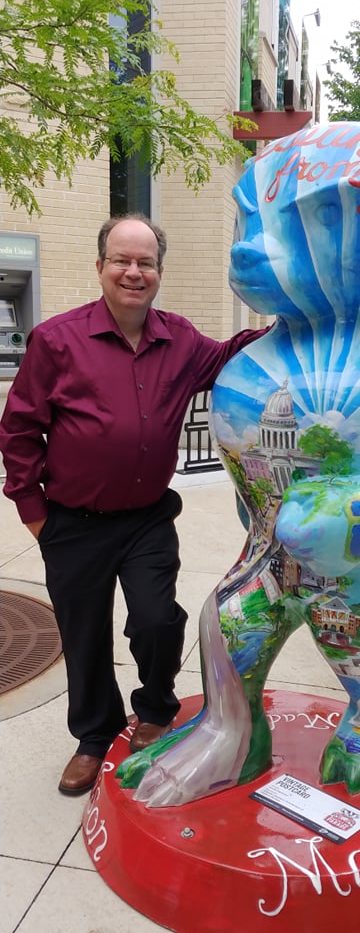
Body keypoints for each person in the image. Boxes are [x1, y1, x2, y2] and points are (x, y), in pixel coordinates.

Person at [0, 213, 265, 796]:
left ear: (159, 272)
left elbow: (229, 355)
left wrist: (296, 326)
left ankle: (153, 708)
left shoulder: (181, 340)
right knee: (84, 633)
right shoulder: (57, 340)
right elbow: (18, 430)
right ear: (100, 267)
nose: (133, 271)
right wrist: (34, 513)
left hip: (146, 519)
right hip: (72, 522)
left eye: (145, 262)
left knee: (155, 619)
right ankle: (93, 736)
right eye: (122, 259)